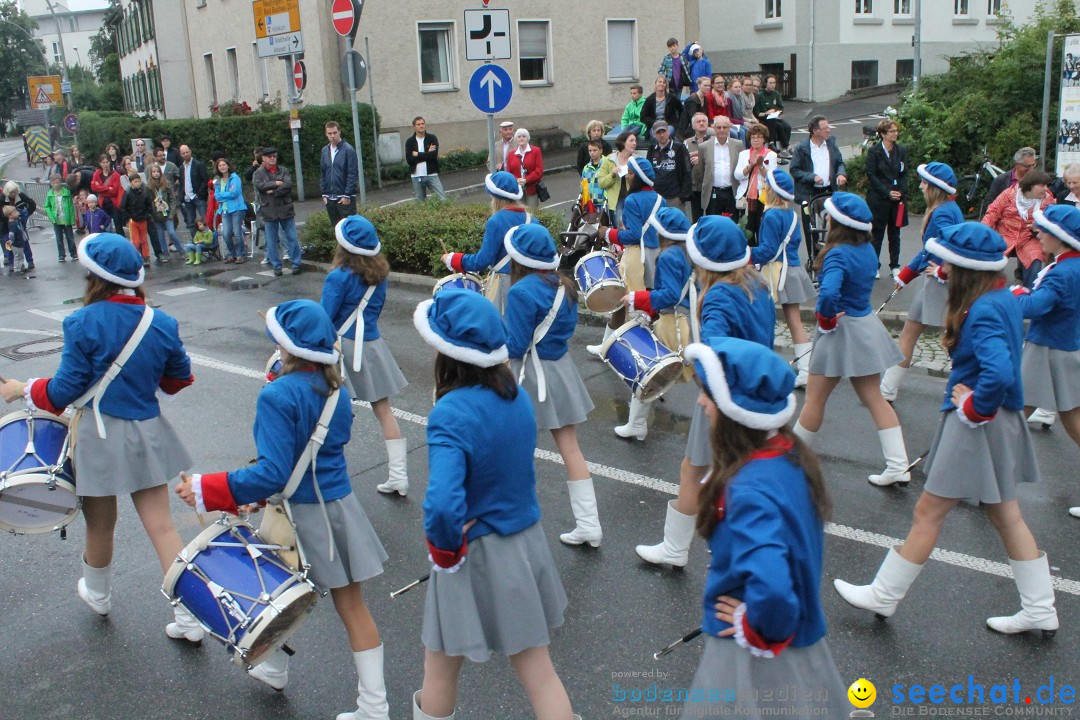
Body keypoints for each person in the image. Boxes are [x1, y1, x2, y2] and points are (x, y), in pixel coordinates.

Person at [834, 222, 1058, 638]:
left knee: (929, 511)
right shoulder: (1001, 296)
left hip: (977, 425)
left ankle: (884, 594)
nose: (940, 269)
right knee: (1005, 514)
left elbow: (1001, 373)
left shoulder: (985, 308)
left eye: (947, 263)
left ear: (964, 269)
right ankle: (1040, 608)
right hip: (997, 422)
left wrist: (972, 406)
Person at [175, 300, 390, 716]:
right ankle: (374, 705)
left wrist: (208, 487)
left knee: (269, 595)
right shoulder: (337, 391)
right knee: (350, 605)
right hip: (339, 507)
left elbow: (274, 473)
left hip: (296, 515)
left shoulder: (277, 394)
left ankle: (276, 668)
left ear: (286, 346)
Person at [0, 232, 201, 643]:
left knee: (101, 524)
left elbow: (62, 392)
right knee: (163, 528)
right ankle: (190, 618)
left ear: (94, 276)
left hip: (97, 434)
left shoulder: (80, 322)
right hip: (146, 431)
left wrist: (22, 388)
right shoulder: (160, 321)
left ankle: (98, 593)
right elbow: (180, 378)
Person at [410, 289, 579, 720]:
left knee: (440, 669)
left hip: (473, 552)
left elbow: (444, 506)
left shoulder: (450, 412)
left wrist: (445, 551)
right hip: (525, 545)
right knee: (539, 671)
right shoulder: (516, 396)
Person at [677, 337, 847, 718]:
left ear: (733, 411)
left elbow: (772, 586)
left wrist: (754, 625)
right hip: (801, 641)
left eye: (707, 394)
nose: (702, 402)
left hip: (753, 653)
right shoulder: (788, 454)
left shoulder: (747, 490)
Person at [635, 215, 774, 567]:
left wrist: (707, 386)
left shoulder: (718, 298)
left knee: (693, 468)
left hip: (723, 396)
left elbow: (712, 350)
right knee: (738, 470)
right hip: (756, 391)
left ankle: (676, 548)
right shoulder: (758, 285)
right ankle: (736, 545)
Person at [792, 193, 910, 486]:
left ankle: (789, 461)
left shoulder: (837, 253)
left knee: (815, 399)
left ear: (838, 222)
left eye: (829, 215)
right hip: (864, 326)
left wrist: (826, 318)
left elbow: (829, 293)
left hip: (840, 330)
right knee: (874, 398)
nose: (826, 218)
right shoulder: (867, 249)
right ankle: (899, 465)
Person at [504, 224, 600, 546]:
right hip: (562, 370)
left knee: (518, 451)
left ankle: (517, 523)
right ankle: (589, 525)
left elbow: (515, 345)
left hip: (528, 376)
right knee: (571, 449)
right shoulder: (565, 285)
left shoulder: (520, 292)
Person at [320, 215, 410, 495]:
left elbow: (324, 319)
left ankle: (330, 480)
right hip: (372, 346)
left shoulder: (338, 277)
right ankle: (399, 476)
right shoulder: (379, 275)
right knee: (384, 410)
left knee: (326, 414)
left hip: (340, 349)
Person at [1013, 205, 1080, 509]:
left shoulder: (1063, 271)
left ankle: (986, 481)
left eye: (1043, 230)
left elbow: (1035, 308)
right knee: (1071, 419)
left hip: (1047, 349)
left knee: (1011, 414)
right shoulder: (1071, 266)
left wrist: (1015, 294)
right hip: (1065, 346)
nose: (1037, 233)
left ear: (1060, 237)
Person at [880, 162, 965, 403]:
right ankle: (887, 388)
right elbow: (929, 250)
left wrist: (944, 271)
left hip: (940, 283)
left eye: (924, 183)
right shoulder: (946, 208)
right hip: (934, 280)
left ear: (934, 187)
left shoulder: (943, 213)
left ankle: (964, 389)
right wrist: (906, 275)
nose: (920, 186)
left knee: (953, 339)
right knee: (910, 331)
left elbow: (952, 246)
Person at [618, 207, 696, 440]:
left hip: (674, 323)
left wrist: (638, 298)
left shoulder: (669, 256)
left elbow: (670, 295)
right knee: (701, 375)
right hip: (690, 320)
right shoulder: (688, 253)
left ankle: (637, 424)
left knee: (647, 373)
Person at [590, 158, 666, 355]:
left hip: (636, 257)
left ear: (639, 177)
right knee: (650, 304)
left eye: (631, 173)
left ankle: (611, 347)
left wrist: (607, 233)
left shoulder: (632, 200)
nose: (628, 177)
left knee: (623, 300)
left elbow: (633, 235)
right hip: (656, 255)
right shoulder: (660, 198)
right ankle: (651, 350)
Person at [751, 169, 815, 387]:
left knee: (764, 319)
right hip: (794, 269)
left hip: (777, 273)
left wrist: (746, 253)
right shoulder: (792, 214)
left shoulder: (771, 215)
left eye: (766, 185)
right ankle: (806, 370)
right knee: (795, 321)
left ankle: (763, 368)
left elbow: (768, 250)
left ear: (772, 190)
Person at [442, 171, 532, 315]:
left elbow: (482, 260)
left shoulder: (496, 221)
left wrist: (453, 259)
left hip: (505, 285)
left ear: (495, 197)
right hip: (529, 283)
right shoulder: (532, 220)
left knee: (501, 330)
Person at [982, 170, 1055, 288]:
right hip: (1004, 235)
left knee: (1035, 256)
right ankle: (986, 289)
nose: (1046, 189)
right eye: (1042, 185)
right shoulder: (1008, 194)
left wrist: (1038, 227)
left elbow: (1051, 221)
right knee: (991, 254)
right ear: (1030, 185)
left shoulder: (1048, 199)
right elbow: (992, 213)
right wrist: (981, 233)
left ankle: (1029, 292)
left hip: (1028, 238)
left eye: (1047, 185)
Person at [865, 119, 909, 278]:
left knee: (895, 232)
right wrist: (887, 191)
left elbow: (904, 173)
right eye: (892, 131)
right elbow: (871, 175)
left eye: (896, 131)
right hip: (879, 199)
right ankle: (874, 265)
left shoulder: (901, 151)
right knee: (876, 233)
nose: (895, 134)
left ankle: (895, 265)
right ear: (883, 134)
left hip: (897, 199)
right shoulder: (874, 152)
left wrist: (901, 192)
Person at [252, 147, 303, 276]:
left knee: (292, 237)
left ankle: (296, 263)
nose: (272, 158)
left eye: (274, 156)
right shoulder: (258, 173)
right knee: (271, 240)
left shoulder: (284, 170)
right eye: (269, 157)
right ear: (263, 158)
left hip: (285, 208)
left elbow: (288, 185)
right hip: (269, 210)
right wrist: (276, 182)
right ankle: (276, 266)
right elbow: (260, 186)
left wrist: (273, 192)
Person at [733, 123, 778, 239]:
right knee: (747, 229)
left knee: (761, 228)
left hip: (763, 197)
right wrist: (750, 166)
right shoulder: (743, 154)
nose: (756, 140)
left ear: (764, 139)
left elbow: (771, 177)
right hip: (747, 196)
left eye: (759, 137)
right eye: (753, 137)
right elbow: (737, 175)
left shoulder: (771, 155)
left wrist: (760, 165)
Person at [789, 116, 847, 204]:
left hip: (829, 191)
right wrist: (813, 177)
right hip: (809, 194)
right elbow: (794, 170)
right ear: (815, 131)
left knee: (829, 217)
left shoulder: (831, 144)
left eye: (828, 127)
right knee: (811, 217)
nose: (829, 130)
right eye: (825, 128)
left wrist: (841, 174)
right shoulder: (801, 148)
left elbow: (840, 163)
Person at [696, 116, 744, 221]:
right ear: (714, 128)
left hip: (732, 191)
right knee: (713, 224)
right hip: (713, 193)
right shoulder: (703, 147)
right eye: (718, 127)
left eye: (724, 127)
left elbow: (741, 166)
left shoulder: (738, 145)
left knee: (732, 223)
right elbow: (702, 170)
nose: (721, 130)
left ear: (729, 128)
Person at [646, 120, 692, 213]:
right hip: (657, 197)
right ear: (654, 135)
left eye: (663, 131)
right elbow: (648, 172)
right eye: (658, 132)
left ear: (668, 132)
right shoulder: (652, 149)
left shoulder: (679, 148)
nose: (662, 135)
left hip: (675, 197)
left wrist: (683, 197)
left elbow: (687, 171)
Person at [321, 120, 359, 228]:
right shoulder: (325, 150)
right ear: (326, 134)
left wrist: (347, 195)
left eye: (335, 133)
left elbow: (352, 174)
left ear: (339, 132)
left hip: (344, 198)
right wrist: (324, 194)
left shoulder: (348, 150)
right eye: (330, 133)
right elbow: (323, 172)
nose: (332, 136)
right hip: (330, 198)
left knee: (349, 230)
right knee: (336, 230)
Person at [597, 130, 639, 226]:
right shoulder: (609, 160)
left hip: (633, 200)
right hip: (616, 203)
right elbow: (601, 183)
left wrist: (632, 175)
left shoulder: (638, 160)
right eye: (631, 141)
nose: (634, 143)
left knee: (633, 228)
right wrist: (612, 174)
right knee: (619, 231)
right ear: (623, 142)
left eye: (635, 141)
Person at [213, 159, 248, 264]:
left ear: (228, 166)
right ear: (218, 168)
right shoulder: (218, 180)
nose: (222, 167)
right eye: (220, 165)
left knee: (237, 232)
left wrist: (223, 195)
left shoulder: (235, 178)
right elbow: (216, 196)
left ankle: (241, 254)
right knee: (226, 233)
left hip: (237, 209)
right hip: (224, 209)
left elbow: (235, 193)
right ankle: (232, 254)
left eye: (224, 165)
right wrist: (226, 195)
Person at [147, 164, 184, 256]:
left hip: (167, 214)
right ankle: (165, 253)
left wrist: (172, 213)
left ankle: (181, 250)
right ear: (151, 174)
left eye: (157, 172)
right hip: (156, 215)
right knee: (160, 235)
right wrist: (152, 215)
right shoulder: (149, 187)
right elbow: (148, 202)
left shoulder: (166, 183)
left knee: (171, 233)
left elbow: (172, 199)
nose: (156, 174)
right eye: (154, 172)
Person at [406, 116, 447, 202]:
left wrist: (417, 154)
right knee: (421, 203)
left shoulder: (432, 138)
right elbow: (409, 160)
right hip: (416, 176)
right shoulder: (410, 142)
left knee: (442, 199)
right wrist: (427, 154)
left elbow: (433, 156)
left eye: (422, 124)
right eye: (418, 124)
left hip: (431, 174)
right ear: (414, 127)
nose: (421, 126)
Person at [120, 173, 156, 266]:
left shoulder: (144, 193)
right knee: (135, 241)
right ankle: (135, 257)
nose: (137, 183)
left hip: (143, 219)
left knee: (144, 240)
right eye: (135, 182)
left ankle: (146, 258)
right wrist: (128, 217)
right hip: (133, 220)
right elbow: (123, 207)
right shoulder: (127, 194)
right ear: (131, 183)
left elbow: (149, 205)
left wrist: (148, 214)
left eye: (139, 181)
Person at [1, 181, 37, 271]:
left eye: (15, 191)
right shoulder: (2, 198)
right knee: (9, 244)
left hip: (20, 223)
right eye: (11, 192)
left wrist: (25, 214)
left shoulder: (21, 195)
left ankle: (30, 261)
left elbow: (32, 204)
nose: (13, 194)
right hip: (6, 225)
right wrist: (9, 217)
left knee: (24, 242)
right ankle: (12, 264)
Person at [505, 128, 545, 210]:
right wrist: (517, 180)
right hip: (517, 189)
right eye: (519, 137)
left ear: (527, 138)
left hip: (531, 188)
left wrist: (526, 180)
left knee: (532, 212)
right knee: (519, 212)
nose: (521, 138)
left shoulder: (536, 151)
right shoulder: (511, 154)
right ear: (516, 139)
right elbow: (509, 172)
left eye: (524, 136)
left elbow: (539, 170)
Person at [684, 112, 713, 220]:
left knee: (711, 216)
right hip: (695, 186)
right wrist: (700, 154)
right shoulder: (687, 142)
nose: (701, 123)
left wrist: (699, 158)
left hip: (711, 186)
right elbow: (683, 158)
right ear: (693, 126)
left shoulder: (714, 140)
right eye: (698, 121)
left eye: (704, 121)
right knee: (696, 217)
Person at [753, 75, 791, 156]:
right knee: (776, 124)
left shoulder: (776, 94)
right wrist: (767, 113)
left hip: (774, 116)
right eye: (770, 83)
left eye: (774, 83)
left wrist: (775, 111)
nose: (773, 85)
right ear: (766, 84)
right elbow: (757, 113)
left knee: (787, 126)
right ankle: (772, 144)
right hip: (763, 118)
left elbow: (781, 108)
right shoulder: (760, 95)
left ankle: (785, 148)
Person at [178, 145, 209, 240]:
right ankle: (196, 242)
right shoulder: (181, 168)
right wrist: (181, 197)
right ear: (180, 154)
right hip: (187, 198)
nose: (185, 154)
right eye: (183, 153)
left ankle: (209, 241)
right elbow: (182, 183)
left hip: (198, 197)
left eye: (187, 152)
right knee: (191, 223)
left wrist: (199, 194)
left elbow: (205, 180)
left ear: (190, 152)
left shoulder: (198, 164)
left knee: (205, 220)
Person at [45, 174, 77, 262]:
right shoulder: (50, 194)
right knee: (59, 239)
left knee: (70, 237)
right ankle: (61, 255)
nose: (56, 184)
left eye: (58, 182)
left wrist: (72, 219)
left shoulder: (66, 192)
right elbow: (47, 206)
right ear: (51, 184)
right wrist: (52, 217)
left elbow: (70, 207)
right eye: (54, 183)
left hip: (66, 219)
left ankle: (73, 253)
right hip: (57, 220)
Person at [91, 155, 124, 233]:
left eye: (107, 162)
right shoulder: (97, 174)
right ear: (100, 164)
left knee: (118, 225)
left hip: (113, 204)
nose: (105, 164)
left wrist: (101, 189)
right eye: (103, 162)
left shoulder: (115, 175)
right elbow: (94, 188)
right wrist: (107, 188)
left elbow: (115, 191)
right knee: (103, 225)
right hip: (102, 203)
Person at [2, 207, 30, 274]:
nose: (18, 213)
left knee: (20, 256)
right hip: (16, 243)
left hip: (19, 242)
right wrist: (12, 241)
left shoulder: (16, 221)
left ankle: (21, 267)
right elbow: (11, 234)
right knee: (18, 257)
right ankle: (17, 269)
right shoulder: (12, 224)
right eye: (15, 212)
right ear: (10, 216)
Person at [580, 141, 606, 207]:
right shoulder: (586, 168)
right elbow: (582, 184)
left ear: (601, 151)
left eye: (595, 150)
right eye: (590, 150)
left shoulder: (606, 165)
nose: (592, 153)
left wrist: (606, 197)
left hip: (603, 203)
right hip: (589, 203)